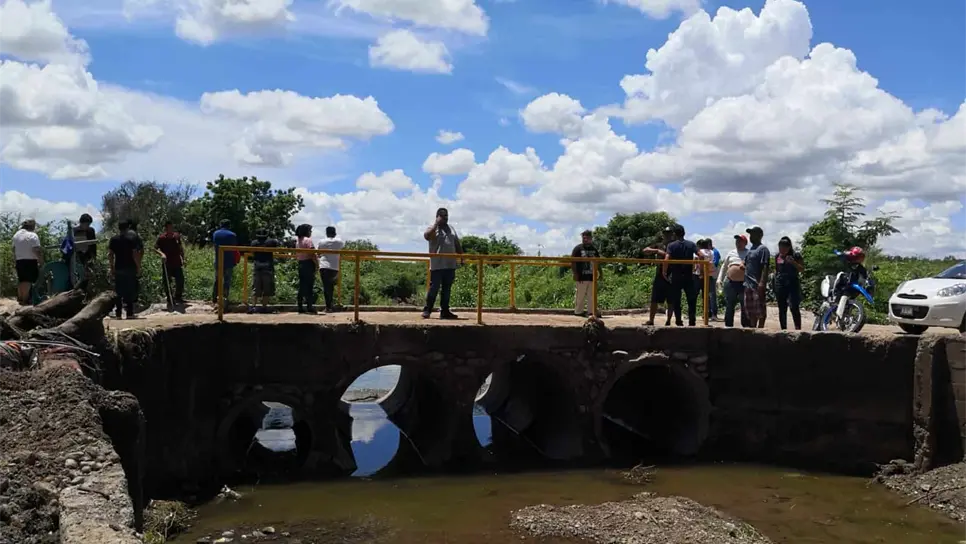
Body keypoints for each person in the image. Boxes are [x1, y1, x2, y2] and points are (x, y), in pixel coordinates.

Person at [422, 207, 462, 319]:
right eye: (443, 216)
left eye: (446, 216)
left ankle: (445, 311)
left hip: (450, 265)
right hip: (437, 265)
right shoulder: (433, 228)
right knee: (433, 288)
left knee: (447, 289)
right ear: (437, 217)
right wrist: (436, 224)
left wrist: (462, 257)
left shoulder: (451, 229)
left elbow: (457, 244)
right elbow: (427, 236)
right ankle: (427, 310)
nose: (445, 219)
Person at [662, 224, 699, 327]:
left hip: (676, 275)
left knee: (676, 300)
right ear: (684, 233)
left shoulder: (671, 245)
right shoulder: (691, 244)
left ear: (674, 234)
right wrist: (697, 266)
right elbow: (701, 255)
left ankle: (678, 320)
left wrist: (664, 272)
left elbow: (666, 259)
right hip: (688, 276)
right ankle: (692, 321)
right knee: (691, 300)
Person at [108, 220, 143, 319]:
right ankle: (130, 313)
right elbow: (135, 254)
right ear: (127, 228)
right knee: (129, 291)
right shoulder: (131, 239)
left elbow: (110, 255)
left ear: (119, 228)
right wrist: (138, 267)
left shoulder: (113, 239)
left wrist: (112, 268)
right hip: (130, 268)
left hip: (118, 268)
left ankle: (118, 313)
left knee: (118, 292)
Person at [642, 226, 674, 326]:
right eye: (665, 233)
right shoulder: (659, 245)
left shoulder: (674, 245)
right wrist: (650, 250)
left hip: (671, 275)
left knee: (670, 300)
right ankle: (651, 320)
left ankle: (668, 320)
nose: (667, 235)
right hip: (659, 274)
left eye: (668, 233)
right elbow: (645, 250)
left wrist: (656, 251)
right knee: (654, 299)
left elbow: (669, 256)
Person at [717, 234, 751, 328]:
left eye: (740, 241)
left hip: (744, 283)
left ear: (745, 243)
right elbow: (724, 266)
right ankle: (728, 326)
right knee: (729, 304)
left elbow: (752, 267)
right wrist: (719, 279)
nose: (738, 243)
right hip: (730, 282)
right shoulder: (731, 253)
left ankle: (746, 326)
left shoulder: (749, 253)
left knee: (744, 305)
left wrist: (745, 267)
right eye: (737, 241)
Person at [742, 225, 771, 328]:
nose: (751, 237)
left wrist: (762, 282)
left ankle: (761, 328)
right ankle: (753, 329)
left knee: (760, 309)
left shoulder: (763, 249)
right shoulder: (751, 250)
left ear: (760, 235)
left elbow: (765, 266)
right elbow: (745, 264)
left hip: (757, 284)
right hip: (748, 284)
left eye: (753, 234)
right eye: (750, 234)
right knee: (751, 310)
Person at [775, 236, 804, 330]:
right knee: (782, 308)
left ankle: (798, 328)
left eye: (784, 247)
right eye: (780, 247)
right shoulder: (777, 256)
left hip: (792, 282)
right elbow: (777, 269)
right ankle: (783, 329)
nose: (782, 249)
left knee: (794, 306)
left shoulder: (796, 255)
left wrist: (793, 263)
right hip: (780, 283)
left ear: (789, 247)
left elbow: (801, 269)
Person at [12, 218, 43, 305]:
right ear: (32, 226)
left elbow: (13, 249)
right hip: (30, 261)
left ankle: (20, 298)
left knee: (22, 280)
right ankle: (25, 300)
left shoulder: (16, 235)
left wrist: (15, 261)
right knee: (28, 281)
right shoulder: (32, 235)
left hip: (19, 260)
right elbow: (36, 250)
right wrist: (41, 262)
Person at [155, 221, 185, 306]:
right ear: (166, 228)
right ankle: (170, 298)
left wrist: (183, 258)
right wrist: (162, 254)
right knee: (167, 282)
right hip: (167, 263)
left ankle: (178, 297)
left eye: (172, 227)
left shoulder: (176, 236)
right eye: (169, 228)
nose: (171, 229)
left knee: (180, 280)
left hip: (177, 262)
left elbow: (180, 248)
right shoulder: (161, 238)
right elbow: (155, 248)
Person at [249, 228, 279, 313]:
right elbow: (277, 243)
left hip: (257, 267)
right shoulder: (271, 242)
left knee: (256, 288)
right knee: (267, 289)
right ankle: (264, 307)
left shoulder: (254, 243)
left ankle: (253, 307)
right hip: (268, 267)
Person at [571, 230, 600, 317]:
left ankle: (591, 312)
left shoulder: (594, 249)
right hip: (581, 276)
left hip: (591, 276)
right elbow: (572, 262)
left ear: (591, 238)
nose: (585, 240)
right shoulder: (578, 249)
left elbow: (598, 262)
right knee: (580, 295)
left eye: (587, 238)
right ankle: (578, 312)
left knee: (591, 295)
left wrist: (600, 273)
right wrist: (575, 273)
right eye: (583, 238)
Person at [317, 226, 345, 313]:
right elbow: (342, 248)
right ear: (335, 233)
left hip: (324, 266)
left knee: (326, 287)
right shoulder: (339, 242)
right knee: (331, 287)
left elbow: (318, 253)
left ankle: (328, 306)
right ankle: (330, 306)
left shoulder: (321, 242)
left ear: (326, 233)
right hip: (334, 267)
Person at [211, 220, 238, 303]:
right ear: (229, 226)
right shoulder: (233, 235)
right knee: (227, 281)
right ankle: (225, 299)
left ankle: (215, 298)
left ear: (220, 225)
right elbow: (234, 248)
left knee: (217, 279)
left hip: (218, 260)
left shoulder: (215, 233)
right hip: (229, 262)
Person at [295, 224, 319, 314]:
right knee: (309, 286)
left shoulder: (298, 241)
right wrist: (317, 264)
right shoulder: (308, 240)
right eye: (310, 231)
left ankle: (300, 306)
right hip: (308, 264)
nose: (311, 232)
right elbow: (312, 253)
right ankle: (309, 306)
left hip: (301, 263)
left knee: (302, 285)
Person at [693, 239, 715, 319]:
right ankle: (705, 313)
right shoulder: (711, 252)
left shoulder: (698, 252)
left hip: (698, 275)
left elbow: (695, 262)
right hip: (708, 275)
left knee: (694, 294)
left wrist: (697, 272)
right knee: (705, 295)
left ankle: (692, 312)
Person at [707, 238, 720, 321]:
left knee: (712, 295)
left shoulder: (715, 252)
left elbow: (715, 263)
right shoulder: (709, 252)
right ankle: (708, 313)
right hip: (708, 275)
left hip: (712, 275)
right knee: (707, 295)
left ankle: (714, 313)